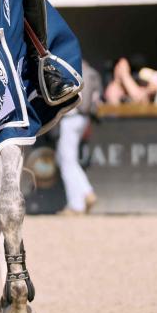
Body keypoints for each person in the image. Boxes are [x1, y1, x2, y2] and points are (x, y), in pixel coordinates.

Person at [56, 60, 100, 215]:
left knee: (67, 161)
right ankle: (85, 192)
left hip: (72, 117)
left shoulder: (76, 68)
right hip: (82, 118)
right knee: (66, 159)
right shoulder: (92, 71)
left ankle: (77, 204)